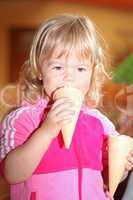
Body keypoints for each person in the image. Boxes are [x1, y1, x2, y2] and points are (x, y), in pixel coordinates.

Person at [0, 14, 133, 200]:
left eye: (80, 69)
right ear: (39, 69)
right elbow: (11, 173)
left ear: (92, 73)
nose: (69, 77)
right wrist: (46, 131)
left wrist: (122, 167)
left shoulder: (101, 124)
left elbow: (107, 178)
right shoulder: (23, 118)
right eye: (58, 68)